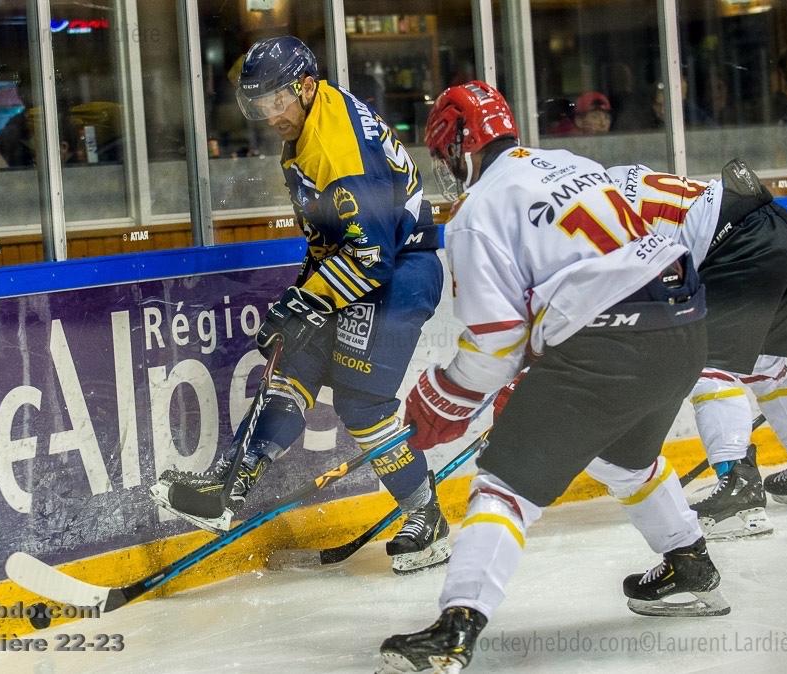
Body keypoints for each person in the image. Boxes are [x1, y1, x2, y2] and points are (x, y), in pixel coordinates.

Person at [378, 81, 724, 673]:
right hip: (684, 320)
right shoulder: (570, 163)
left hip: (611, 340)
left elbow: (493, 346)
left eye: (445, 154)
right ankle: (690, 564)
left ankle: (454, 629)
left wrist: (443, 398)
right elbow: (592, 268)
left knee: (504, 483)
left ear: (460, 147)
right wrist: (541, 368)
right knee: (622, 457)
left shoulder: (477, 213)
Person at [150, 36, 448, 574]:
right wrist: (299, 303)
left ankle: (426, 515)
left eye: (278, 100)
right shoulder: (307, 128)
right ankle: (229, 483)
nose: (270, 114)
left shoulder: (337, 149)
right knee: (294, 363)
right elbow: (329, 242)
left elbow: (371, 256)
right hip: (365, 266)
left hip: (402, 272)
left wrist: (303, 301)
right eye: (260, 104)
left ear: (307, 86)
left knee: (362, 404)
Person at [606, 161, 787, 531]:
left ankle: (740, 491)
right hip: (784, 230)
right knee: (764, 364)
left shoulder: (591, 225)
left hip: (742, 242)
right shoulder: (611, 180)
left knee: (704, 366)